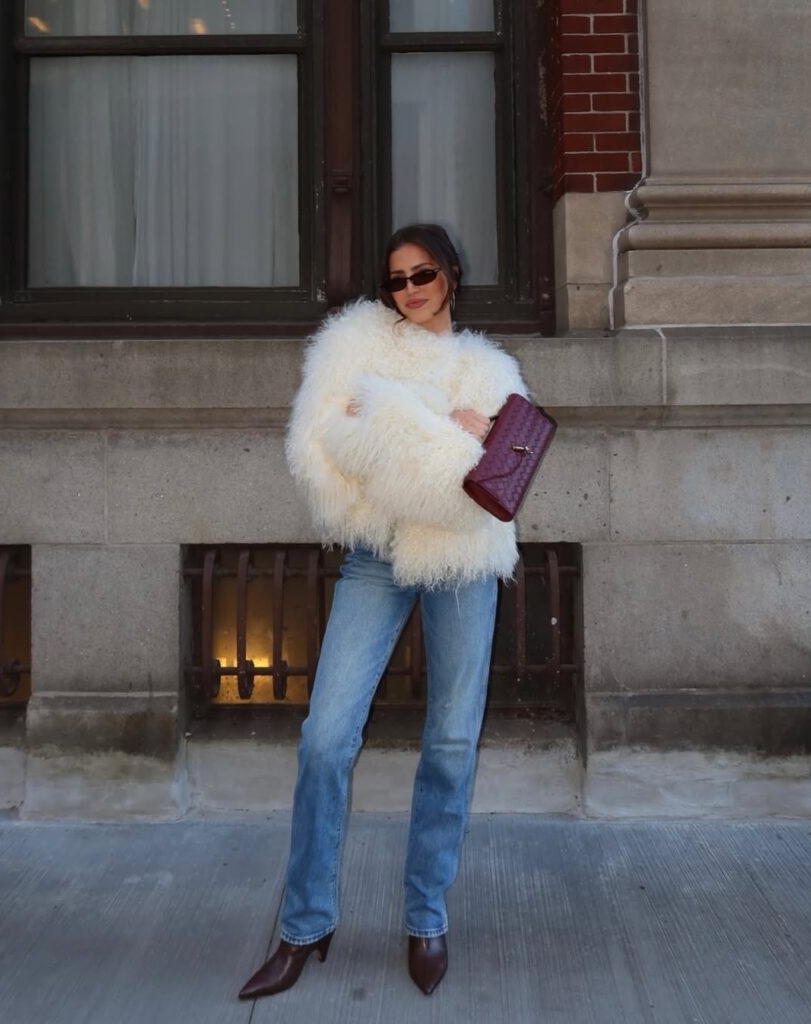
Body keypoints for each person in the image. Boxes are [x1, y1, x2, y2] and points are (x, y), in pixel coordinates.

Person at [239, 223, 529, 1000]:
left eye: (423, 273)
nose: (409, 291)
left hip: (462, 560)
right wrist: (443, 428)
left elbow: (495, 479)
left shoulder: (492, 368)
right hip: (377, 553)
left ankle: (426, 915)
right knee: (326, 738)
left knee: (450, 741)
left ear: (453, 275)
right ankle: (305, 925)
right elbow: (328, 437)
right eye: (395, 280)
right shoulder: (357, 344)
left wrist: (403, 420)